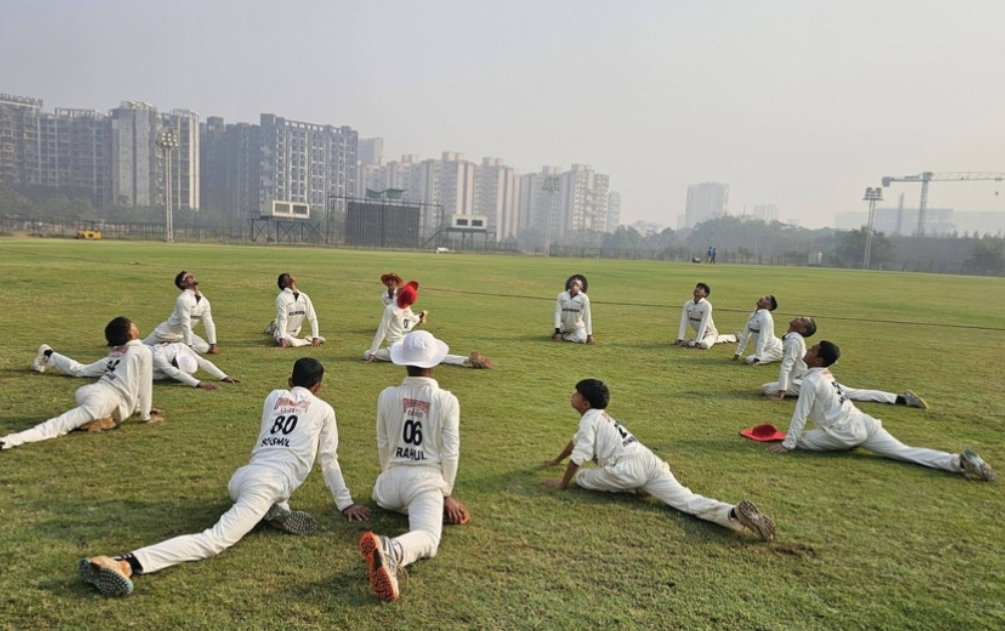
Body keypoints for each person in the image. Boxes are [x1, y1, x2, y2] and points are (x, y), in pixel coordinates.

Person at [78, 357, 371, 597]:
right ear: (318, 387)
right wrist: (345, 503)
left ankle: (276, 510)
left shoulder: (274, 396)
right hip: (267, 484)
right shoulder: (324, 410)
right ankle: (124, 562)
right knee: (213, 541)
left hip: (241, 478)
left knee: (274, 490)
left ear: (290, 381)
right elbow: (328, 459)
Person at [542, 379, 775, 541]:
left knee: (583, 477)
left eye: (576, 394)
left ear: (585, 404)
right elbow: (575, 442)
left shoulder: (588, 421)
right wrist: (556, 461)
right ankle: (733, 514)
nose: (572, 396)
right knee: (687, 500)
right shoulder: (600, 417)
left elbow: (579, 455)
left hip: (626, 469)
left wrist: (562, 484)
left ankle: (633, 488)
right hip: (649, 461)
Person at [767, 341, 996, 482]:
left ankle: (845, 444)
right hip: (865, 424)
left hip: (843, 432)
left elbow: (800, 414)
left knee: (800, 439)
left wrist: (788, 444)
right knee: (905, 452)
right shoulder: (826, 375)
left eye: (812, 349)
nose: (807, 350)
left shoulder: (811, 381)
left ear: (818, 359)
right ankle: (959, 463)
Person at [359, 331, 471, 602]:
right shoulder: (446, 400)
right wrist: (445, 493)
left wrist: (388, 472)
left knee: (410, 503)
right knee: (429, 539)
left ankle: (424, 508)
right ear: (434, 362)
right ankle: (393, 550)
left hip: (387, 490)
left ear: (404, 361)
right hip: (425, 482)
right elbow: (450, 452)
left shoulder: (387, 395)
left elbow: (383, 443)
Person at [2, 317, 161, 451]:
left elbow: (127, 383)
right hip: (102, 400)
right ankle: (7, 441)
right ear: (131, 334)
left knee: (81, 371)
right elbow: (144, 385)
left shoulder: (117, 351)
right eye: (133, 325)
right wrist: (145, 417)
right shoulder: (142, 351)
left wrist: (138, 407)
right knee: (56, 427)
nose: (136, 325)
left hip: (92, 392)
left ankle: (48, 355)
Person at [762, 317, 928, 409]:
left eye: (802, 319)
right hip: (812, 377)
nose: (798, 317)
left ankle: (903, 400)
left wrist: (781, 393)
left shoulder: (794, 341)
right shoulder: (792, 337)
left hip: (805, 380)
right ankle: (902, 399)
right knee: (856, 393)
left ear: (802, 329)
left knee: (767, 388)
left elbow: (786, 366)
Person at [364, 281, 490, 369]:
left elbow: (382, 331)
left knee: (366, 353)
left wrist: (373, 352)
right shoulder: (407, 308)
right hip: (410, 344)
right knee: (434, 356)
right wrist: (419, 317)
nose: (400, 288)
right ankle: (466, 360)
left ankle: (467, 360)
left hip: (396, 348)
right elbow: (411, 321)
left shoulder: (391, 308)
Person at [32, 342, 240, 390]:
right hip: (122, 359)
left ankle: (49, 356)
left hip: (133, 360)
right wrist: (198, 383)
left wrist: (223, 376)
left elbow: (203, 361)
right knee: (81, 371)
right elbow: (173, 372)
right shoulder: (161, 358)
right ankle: (48, 355)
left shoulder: (183, 348)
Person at [144, 271, 219, 355]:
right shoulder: (183, 299)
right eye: (188, 277)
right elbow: (185, 323)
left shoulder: (204, 301)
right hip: (165, 333)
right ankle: (167, 346)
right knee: (142, 347)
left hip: (182, 335)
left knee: (204, 347)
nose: (192, 277)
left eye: (192, 276)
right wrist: (189, 346)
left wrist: (213, 345)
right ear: (183, 284)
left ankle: (167, 347)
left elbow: (208, 322)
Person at [268, 273, 324, 348]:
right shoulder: (281, 297)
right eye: (286, 276)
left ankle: (274, 325)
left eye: (290, 275)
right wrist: (282, 339)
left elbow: (312, 317)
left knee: (292, 339)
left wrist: (315, 337)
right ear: (282, 283)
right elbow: (282, 319)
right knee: (291, 341)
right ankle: (308, 340)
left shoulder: (304, 296)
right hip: (282, 333)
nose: (290, 276)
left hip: (295, 331)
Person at [675, 283, 737, 349]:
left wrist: (698, 342)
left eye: (700, 288)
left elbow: (703, 324)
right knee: (705, 342)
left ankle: (734, 337)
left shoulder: (707, 305)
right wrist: (680, 339)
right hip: (699, 334)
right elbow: (683, 322)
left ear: (705, 294)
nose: (697, 289)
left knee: (705, 345)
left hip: (711, 334)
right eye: (697, 287)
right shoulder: (687, 304)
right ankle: (732, 337)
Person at [732, 294, 783, 366]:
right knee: (750, 359)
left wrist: (757, 359)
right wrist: (737, 354)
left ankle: (783, 354)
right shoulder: (754, 313)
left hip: (774, 350)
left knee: (749, 359)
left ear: (769, 306)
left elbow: (763, 339)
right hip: (766, 349)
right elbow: (745, 335)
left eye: (766, 299)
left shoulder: (765, 317)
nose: (762, 297)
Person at [553, 275, 595, 345]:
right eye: (573, 283)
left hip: (577, 326)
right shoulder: (562, 295)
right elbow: (558, 313)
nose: (575, 284)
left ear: (581, 287)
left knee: (582, 339)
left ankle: (565, 336)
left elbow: (587, 316)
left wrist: (589, 335)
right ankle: (560, 333)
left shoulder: (584, 298)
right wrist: (557, 331)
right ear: (570, 285)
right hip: (564, 326)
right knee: (559, 331)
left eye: (577, 284)